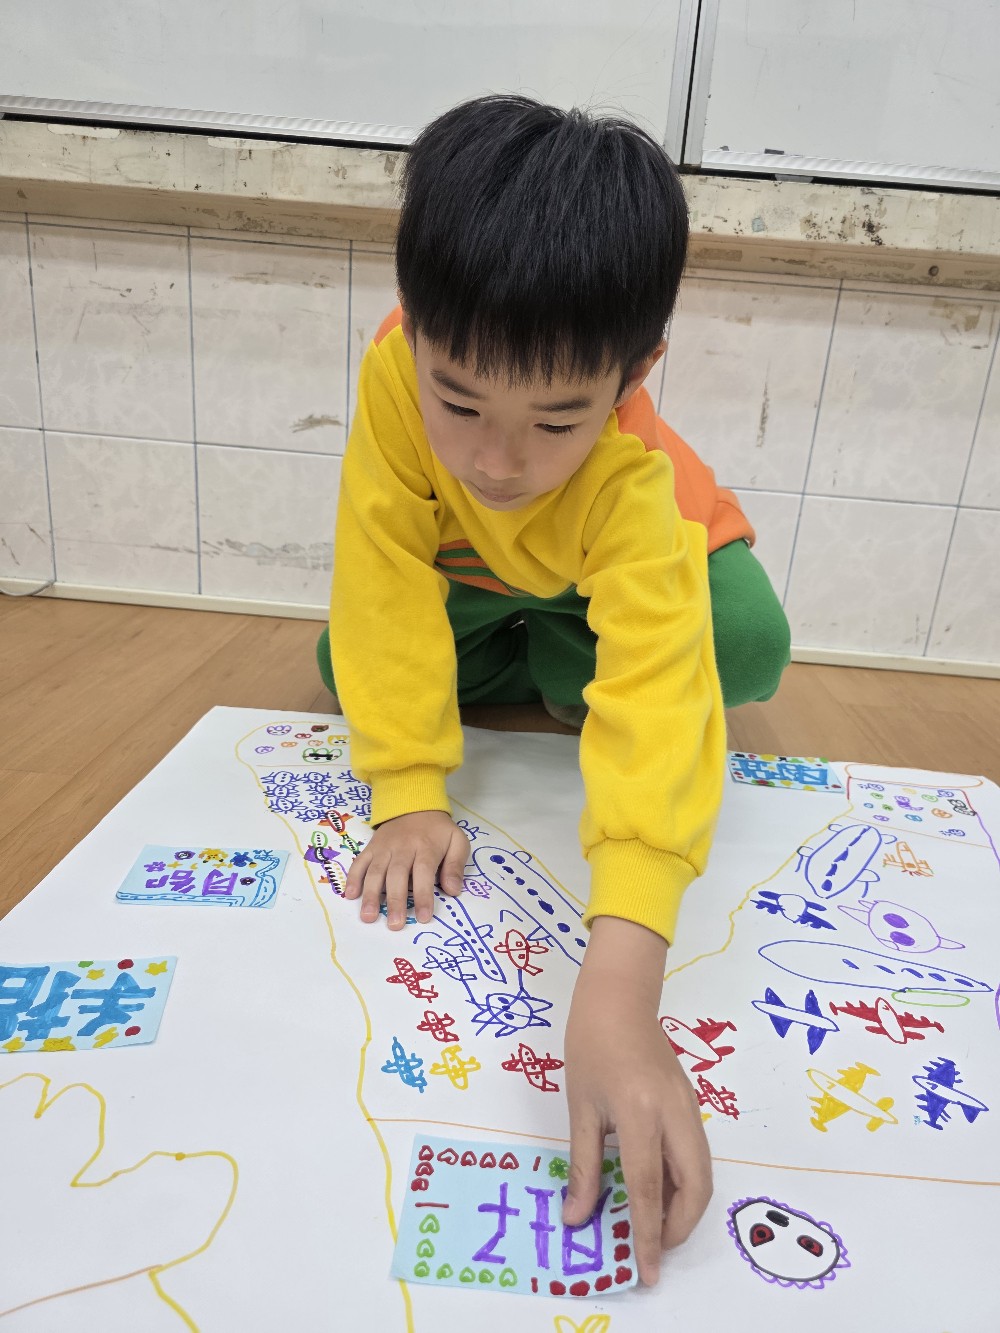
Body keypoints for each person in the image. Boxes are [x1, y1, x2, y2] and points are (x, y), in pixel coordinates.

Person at [320, 94, 790, 1286]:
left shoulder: (631, 473)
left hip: (601, 584)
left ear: (633, 375)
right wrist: (407, 787)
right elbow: (381, 574)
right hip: (476, 579)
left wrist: (619, 988)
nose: (497, 459)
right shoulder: (393, 374)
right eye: (459, 402)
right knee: (348, 661)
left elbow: (662, 694)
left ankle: (552, 654)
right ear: (416, 332)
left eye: (556, 418)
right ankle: (541, 664)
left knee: (738, 645)